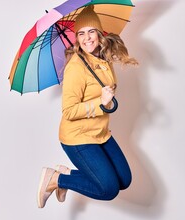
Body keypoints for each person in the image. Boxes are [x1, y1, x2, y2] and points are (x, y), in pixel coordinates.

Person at [37, 5, 138, 208]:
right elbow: (68, 111)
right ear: (76, 37)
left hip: (100, 132)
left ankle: (67, 174)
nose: (87, 38)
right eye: (81, 33)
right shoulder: (75, 67)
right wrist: (99, 102)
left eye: (91, 31)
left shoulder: (102, 58)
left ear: (99, 33)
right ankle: (57, 179)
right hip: (77, 137)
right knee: (108, 189)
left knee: (124, 180)